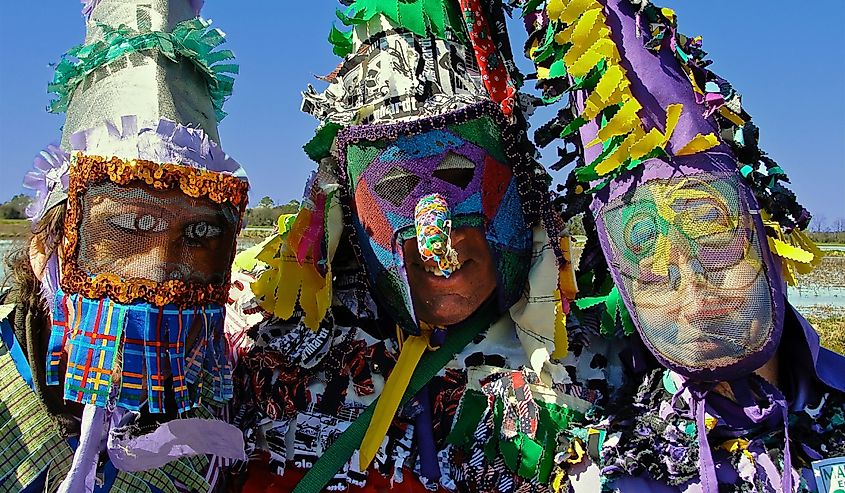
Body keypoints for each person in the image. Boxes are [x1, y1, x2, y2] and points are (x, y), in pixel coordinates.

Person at [225, 1, 619, 492]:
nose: (435, 228)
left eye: (459, 173)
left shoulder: (593, 365)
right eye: (393, 186)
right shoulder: (256, 333)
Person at [518, 0, 845, 491]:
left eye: (716, 257)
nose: (694, 301)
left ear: (770, 242)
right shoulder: (605, 467)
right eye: (654, 276)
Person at [2, 0, 248, 491]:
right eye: (128, 227)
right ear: (44, 246)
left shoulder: (216, 404)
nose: (160, 270)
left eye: (198, 234)